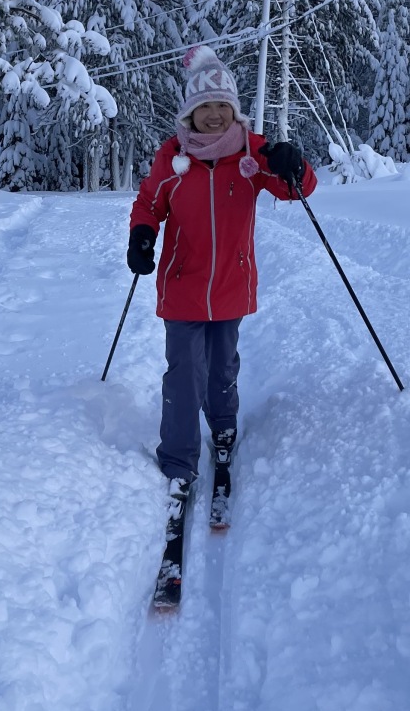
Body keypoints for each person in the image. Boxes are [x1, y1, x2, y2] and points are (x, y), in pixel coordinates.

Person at [127, 44, 317, 496]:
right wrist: (141, 234)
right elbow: (149, 204)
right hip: (183, 286)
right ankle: (177, 457)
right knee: (183, 373)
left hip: (231, 284)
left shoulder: (254, 154)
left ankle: (224, 426)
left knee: (222, 366)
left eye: (222, 106)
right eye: (204, 107)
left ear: (235, 110)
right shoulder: (172, 159)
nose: (214, 115)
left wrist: (293, 163)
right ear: (190, 113)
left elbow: (299, 189)